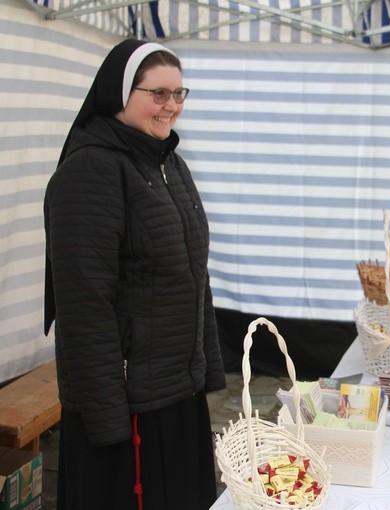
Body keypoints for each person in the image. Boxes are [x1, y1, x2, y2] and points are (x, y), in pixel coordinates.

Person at [43, 39, 226, 510]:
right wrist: (109, 421)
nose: (171, 107)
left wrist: (204, 371)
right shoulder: (91, 171)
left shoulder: (171, 166)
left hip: (174, 390)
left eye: (179, 94)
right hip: (126, 405)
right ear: (119, 94)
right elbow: (84, 306)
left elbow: (194, 274)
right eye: (158, 94)